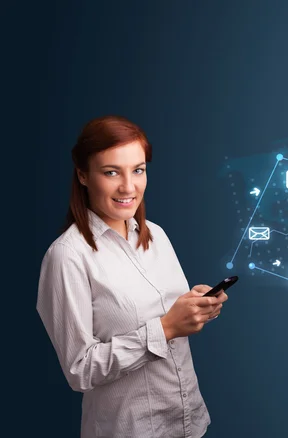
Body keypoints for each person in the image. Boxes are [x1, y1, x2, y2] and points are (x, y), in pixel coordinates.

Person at [36, 115, 228, 437]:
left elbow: (168, 317)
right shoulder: (68, 256)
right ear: (83, 175)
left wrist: (195, 308)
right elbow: (79, 370)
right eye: (111, 172)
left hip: (188, 424)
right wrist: (165, 328)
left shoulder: (156, 235)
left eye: (138, 170)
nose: (129, 186)